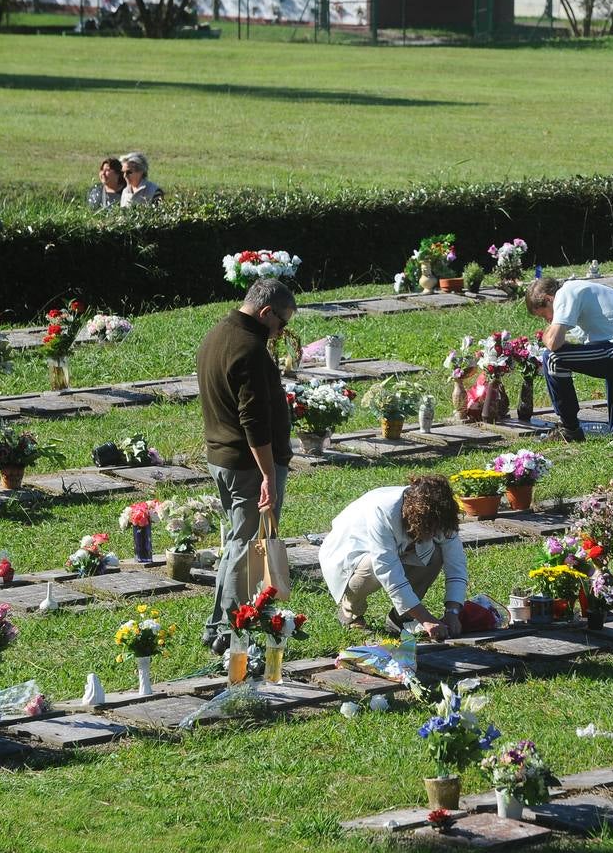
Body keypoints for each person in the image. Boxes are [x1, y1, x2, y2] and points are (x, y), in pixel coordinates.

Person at [196, 277, 297, 653]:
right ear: (266, 312)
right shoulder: (249, 348)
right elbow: (253, 420)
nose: (281, 332)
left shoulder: (217, 334)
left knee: (239, 540)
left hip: (223, 458)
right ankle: (230, 627)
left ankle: (220, 623)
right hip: (247, 464)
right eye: (281, 323)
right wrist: (269, 474)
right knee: (246, 542)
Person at [320, 474, 466, 642]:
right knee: (373, 566)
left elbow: (456, 564)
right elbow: (387, 569)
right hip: (351, 552)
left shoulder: (442, 513)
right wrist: (425, 618)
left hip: (395, 552)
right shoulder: (383, 511)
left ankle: (400, 619)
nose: (435, 534)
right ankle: (351, 613)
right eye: (432, 530)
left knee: (436, 555)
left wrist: (452, 612)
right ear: (417, 518)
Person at [525, 276, 613, 442]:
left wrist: (547, 335)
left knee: (552, 358)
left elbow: (554, 343)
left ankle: (569, 429)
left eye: (544, 315)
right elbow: (584, 348)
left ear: (549, 299)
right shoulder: (585, 294)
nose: (548, 320)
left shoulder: (565, 292)